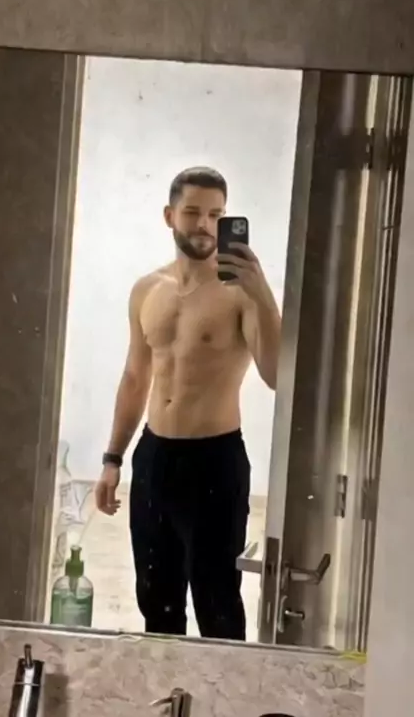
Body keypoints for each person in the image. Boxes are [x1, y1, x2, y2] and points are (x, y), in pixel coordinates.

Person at [95, 166, 281, 641]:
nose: (204, 225)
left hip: (215, 461)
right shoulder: (147, 290)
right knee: (155, 599)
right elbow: (135, 377)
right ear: (169, 216)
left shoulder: (240, 293)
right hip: (155, 457)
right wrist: (113, 459)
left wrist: (262, 294)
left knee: (218, 603)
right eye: (193, 212)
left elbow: (276, 374)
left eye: (216, 215)